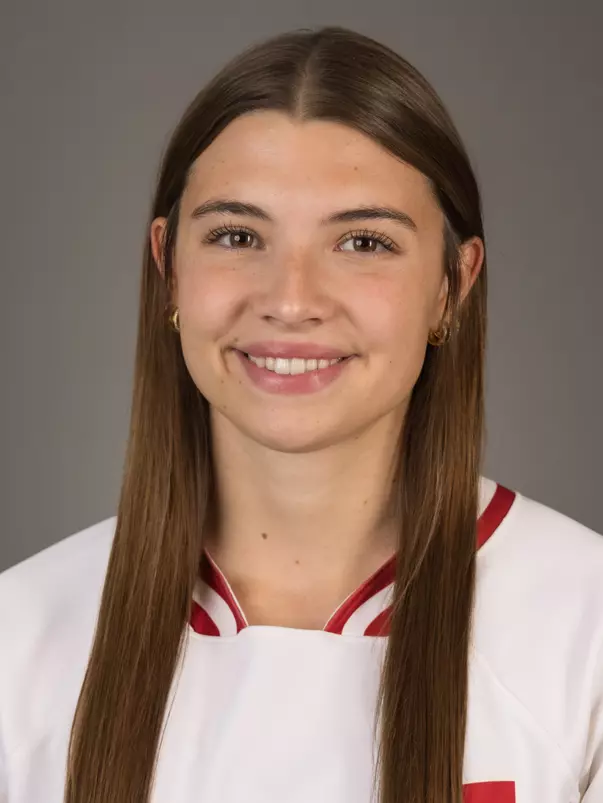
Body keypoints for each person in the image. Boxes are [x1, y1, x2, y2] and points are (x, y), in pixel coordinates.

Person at [0, 24, 601, 803]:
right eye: (237, 234)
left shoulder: (585, 629)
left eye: (361, 241)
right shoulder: (18, 640)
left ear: (452, 285)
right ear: (168, 270)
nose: (290, 299)